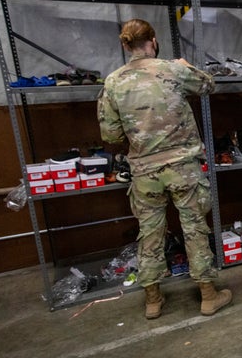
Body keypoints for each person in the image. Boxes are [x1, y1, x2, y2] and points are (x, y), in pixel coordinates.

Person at [97, 18, 231, 319]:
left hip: (145, 171)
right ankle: (208, 296)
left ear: (125, 44)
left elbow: (111, 136)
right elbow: (209, 84)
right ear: (153, 41)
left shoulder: (114, 81)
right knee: (195, 227)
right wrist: (187, 64)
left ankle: (153, 301)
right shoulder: (173, 69)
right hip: (183, 167)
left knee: (150, 233)